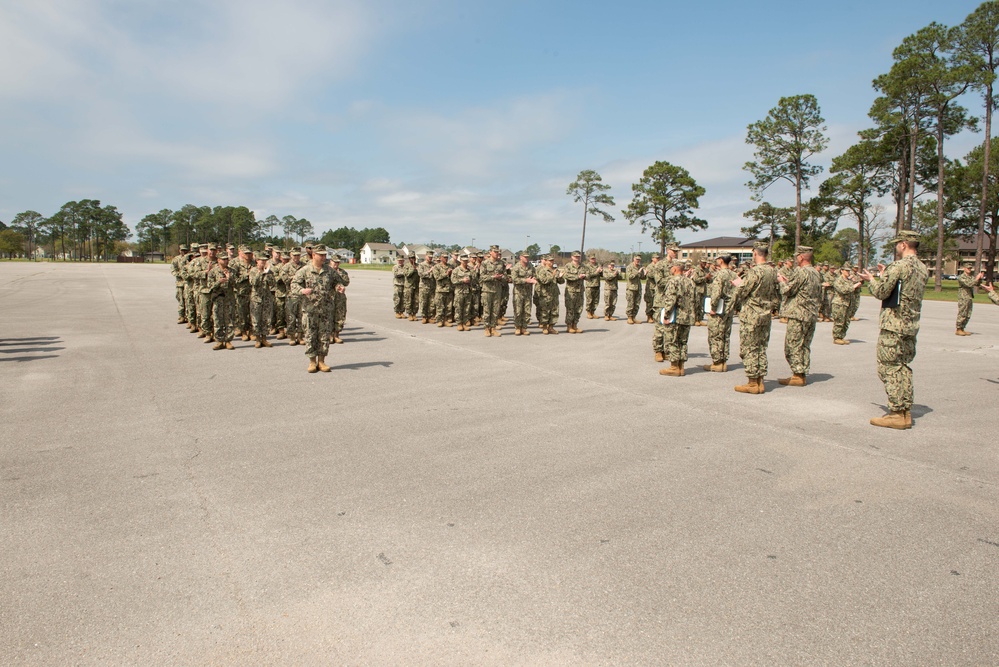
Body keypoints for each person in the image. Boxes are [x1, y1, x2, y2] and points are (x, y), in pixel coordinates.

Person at [858, 230, 928, 429]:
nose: (896, 247)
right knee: (903, 367)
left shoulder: (898, 266)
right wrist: (884, 274)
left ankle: (897, 412)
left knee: (888, 367)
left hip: (894, 325)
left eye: (897, 244)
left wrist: (872, 279)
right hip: (911, 325)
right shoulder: (923, 268)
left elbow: (881, 292)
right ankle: (904, 411)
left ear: (904, 244)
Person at [731, 241, 778, 394]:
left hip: (751, 314)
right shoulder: (772, 271)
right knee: (761, 347)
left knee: (750, 347)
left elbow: (743, 291)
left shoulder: (754, 272)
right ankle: (760, 381)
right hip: (765, 313)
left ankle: (752, 382)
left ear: (755, 253)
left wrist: (737, 288)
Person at [777, 246, 822, 387]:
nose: (796, 259)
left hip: (799, 314)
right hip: (811, 313)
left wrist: (782, 282)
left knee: (793, 345)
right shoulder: (815, 272)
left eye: (797, 256)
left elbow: (788, 291)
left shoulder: (801, 272)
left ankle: (797, 374)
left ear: (801, 257)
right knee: (805, 345)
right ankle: (802, 372)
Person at [291, 244, 337, 373]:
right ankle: (312, 362)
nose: (323, 257)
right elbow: (293, 284)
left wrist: (339, 287)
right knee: (310, 335)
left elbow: (338, 282)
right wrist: (302, 290)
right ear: (314, 255)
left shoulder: (329, 270)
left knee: (324, 336)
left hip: (325, 309)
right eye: (321, 255)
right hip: (310, 309)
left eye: (324, 255)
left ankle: (321, 361)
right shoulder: (304, 270)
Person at [658, 261, 696, 376]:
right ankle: (681, 366)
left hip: (676, 316)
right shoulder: (690, 282)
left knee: (673, 341)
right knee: (683, 342)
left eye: (671, 268)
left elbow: (670, 300)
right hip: (687, 317)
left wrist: (666, 315)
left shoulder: (673, 281)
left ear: (675, 269)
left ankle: (674, 367)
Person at [703, 255, 736, 372]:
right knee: (725, 336)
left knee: (715, 335)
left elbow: (716, 293)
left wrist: (713, 307)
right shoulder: (733, 274)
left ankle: (717, 362)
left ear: (721, 260)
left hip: (719, 310)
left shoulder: (720, 275)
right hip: (729, 309)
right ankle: (723, 361)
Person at [205, 250, 235, 350]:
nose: (226, 261)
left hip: (229, 299)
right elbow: (209, 287)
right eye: (224, 259)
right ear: (218, 260)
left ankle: (228, 341)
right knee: (217, 319)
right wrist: (219, 282)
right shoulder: (213, 272)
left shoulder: (231, 271)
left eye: (227, 259)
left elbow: (237, 284)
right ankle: (219, 341)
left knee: (229, 320)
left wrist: (229, 278)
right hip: (218, 299)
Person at [248, 254, 275, 348]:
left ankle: (264, 338)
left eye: (264, 261)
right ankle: (257, 339)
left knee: (266, 319)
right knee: (256, 319)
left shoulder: (269, 271)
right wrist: (260, 273)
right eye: (261, 260)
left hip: (266, 298)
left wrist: (267, 273)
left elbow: (272, 283)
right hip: (256, 298)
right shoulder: (253, 271)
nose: (263, 262)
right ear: (257, 261)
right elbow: (253, 283)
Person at [831, 266, 862, 345]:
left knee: (846, 321)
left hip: (847, 304)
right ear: (842, 271)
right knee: (839, 321)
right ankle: (837, 337)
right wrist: (854, 286)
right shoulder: (838, 280)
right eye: (846, 271)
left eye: (849, 271)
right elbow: (843, 290)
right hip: (840, 304)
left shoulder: (848, 281)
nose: (848, 272)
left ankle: (841, 336)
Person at [480, 245, 506, 336]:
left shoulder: (501, 263)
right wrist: (492, 277)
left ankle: (493, 328)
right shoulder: (485, 263)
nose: (497, 253)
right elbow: (482, 277)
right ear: (490, 252)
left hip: (497, 290)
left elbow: (505, 275)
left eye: (498, 252)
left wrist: (501, 277)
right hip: (487, 290)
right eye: (495, 252)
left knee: (495, 310)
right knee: (487, 310)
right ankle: (487, 328)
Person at [535, 255, 563, 334]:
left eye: (552, 261)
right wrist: (552, 275)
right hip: (545, 294)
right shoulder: (542, 270)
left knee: (554, 311)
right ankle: (544, 327)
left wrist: (560, 277)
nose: (551, 262)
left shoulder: (555, 270)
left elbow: (561, 282)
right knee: (545, 311)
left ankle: (551, 327)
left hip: (554, 293)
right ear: (546, 261)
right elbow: (543, 281)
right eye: (550, 261)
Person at [510, 251, 537, 335]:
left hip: (528, 292)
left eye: (527, 257)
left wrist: (534, 279)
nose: (527, 258)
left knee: (527, 310)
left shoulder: (531, 266)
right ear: (521, 257)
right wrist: (526, 280)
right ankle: (518, 327)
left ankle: (524, 327)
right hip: (518, 292)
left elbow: (534, 274)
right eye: (525, 257)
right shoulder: (516, 267)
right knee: (518, 311)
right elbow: (514, 279)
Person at [282, 248, 305, 346]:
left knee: (302, 317)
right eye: (294, 255)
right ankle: (292, 336)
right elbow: (284, 279)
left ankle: (300, 336)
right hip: (291, 295)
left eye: (298, 255)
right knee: (291, 317)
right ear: (291, 255)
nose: (296, 257)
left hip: (302, 296)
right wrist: (296, 277)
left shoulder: (304, 266)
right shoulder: (286, 267)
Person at [955, 264, 984, 335]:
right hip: (963, 297)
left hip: (969, 297)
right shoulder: (961, 277)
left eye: (970, 268)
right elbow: (969, 284)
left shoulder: (970, 277)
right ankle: (958, 328)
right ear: (964, 268)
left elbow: (977, 284)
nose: (969, 269)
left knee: (968, 313)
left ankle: (962, 328)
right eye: (968, 268)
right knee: (962, 313)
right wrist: (976, 279)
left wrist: (980, 278)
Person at [562, 251, 587, 333]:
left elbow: (588, 274)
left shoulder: (583, 266)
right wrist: (577, 277)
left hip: (580, 291)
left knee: (578, 309)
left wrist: (585, 276)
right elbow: (566, 275)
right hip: (571, 291)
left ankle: (575, 325)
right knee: (570, 309)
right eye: (575, 256)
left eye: (578, 256)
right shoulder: (568, 266)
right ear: (572, 257)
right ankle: (569, 326)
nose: (577, 258)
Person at [451, 254, 475, 330]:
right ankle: (459, 323)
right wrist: (462, 280)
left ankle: (465, 323)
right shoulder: (456, 270)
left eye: (466, 261)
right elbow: (453, 281)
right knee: (459, 308)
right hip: (459, 292)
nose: (465, 262)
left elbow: (473, 280)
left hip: (468, 292)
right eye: (463, 260)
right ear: (460, 260)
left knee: (466, 308)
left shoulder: (469, 270)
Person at [331, 254, 350, 344]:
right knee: (328, 316)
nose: (336, 264)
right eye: (335, 262)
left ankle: (336, 335)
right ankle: (330, 335)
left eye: (338, 262)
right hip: (329, 297)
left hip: (340, 297)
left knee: (340, 316)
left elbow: (346, 282)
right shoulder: (327, 271)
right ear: (331, 261)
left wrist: (339, 276)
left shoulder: (342, 272)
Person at [432, 253, 455, 328]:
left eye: (447, 257)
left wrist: (451, 274)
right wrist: (446, 274)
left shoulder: (450, 266)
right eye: (444, 257)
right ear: (441, 258)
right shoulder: (437, 267)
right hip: (440, 290)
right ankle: (439, 320)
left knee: (448, 306)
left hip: (449, 289)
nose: (446, 259)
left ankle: (446, 320)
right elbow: (437, 277)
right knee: (440, 306)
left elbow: (454, 277)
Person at [171, 245, 189, 324]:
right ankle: (182, 316)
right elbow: (173, 270)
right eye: (182, 250)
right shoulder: (176, 259)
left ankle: (188, 317)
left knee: (189, 300)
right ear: (179, 250)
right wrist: (180, 274)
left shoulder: (189, 258)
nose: (184, 252)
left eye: (185, 250)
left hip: (188, 282)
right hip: (180, 283)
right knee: (181, 300)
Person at [624, 255, 644, 324]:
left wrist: (644, 273)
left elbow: (642, 277)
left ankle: (634, 317)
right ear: (634, 259)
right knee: (631, 303)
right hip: (631, 288)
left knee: (637, 304)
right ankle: (629, 317)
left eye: (639, 259)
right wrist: (638, 272)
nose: (638, 261)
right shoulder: (629, 267)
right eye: (637, 259)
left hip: (638, 288)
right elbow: (630, 277)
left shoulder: (639, 267)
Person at [418, 251, 436, 323]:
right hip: (424, 286)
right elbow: (421, 274)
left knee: (431, 302)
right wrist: (429, 271)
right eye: (429, 257)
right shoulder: (422, 265)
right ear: (425, 256)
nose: (430, 258)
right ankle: (424, 316)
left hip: (432, 286)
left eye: (431, 257)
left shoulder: (434, 265)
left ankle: (430, 316)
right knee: (423, 302)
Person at [691, 258, 710, 326]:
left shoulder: (706, 270)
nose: (704, 264)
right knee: (696, 305)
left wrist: (709, 278)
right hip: (697, 290)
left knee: (701, 306)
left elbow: (708, 281)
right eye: (703, 262)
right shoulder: (696, 270)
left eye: (705, 262)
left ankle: (700, 319)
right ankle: (695, 320)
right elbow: (696, 280)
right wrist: (705, 277)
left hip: (703, 290)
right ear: (700, 262)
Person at [584, 254, 602, 319]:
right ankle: (588, 313)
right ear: (589, 259)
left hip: (597, 285)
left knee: (596, 300)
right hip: (590, 285)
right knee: (589, 300)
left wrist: (601, 271)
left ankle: (593, 312)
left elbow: (601, 275)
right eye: (592, 259)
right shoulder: (587, 266)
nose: (593, 260)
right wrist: (597, 272)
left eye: (594, 258)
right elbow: (588, 275)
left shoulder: (598, 265)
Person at [643, 253, 660, 323]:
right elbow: (650, 275)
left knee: (656, 302)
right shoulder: (650, 266)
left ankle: (654, 316)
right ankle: (649, 316)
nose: (657, 259)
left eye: (658, 258)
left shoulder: (658, 266)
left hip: (657, 287)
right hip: (650, 287)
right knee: (649, 302)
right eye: (656, 258)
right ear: (652, 259)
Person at [403, 254, 420, 321]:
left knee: (416, 301)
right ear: (409, 258)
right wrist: (413, 269)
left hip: (416, 285)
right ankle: (410, 314)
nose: (412, 259)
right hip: (409, 286)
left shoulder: (418, 265)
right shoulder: (406, 266)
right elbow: (407, 275)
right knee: (409, 300)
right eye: (411, 258)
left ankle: (414, 314)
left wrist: (417, 269)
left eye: (413, 258)